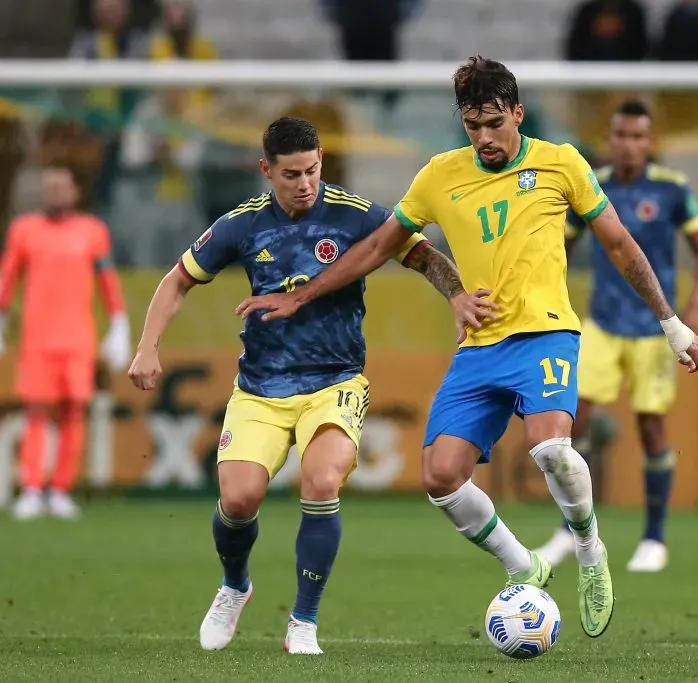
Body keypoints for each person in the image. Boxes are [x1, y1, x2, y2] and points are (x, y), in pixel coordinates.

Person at [235, 56, 698, 639]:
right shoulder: (440, 175)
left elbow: (621, 245)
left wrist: (669, 320)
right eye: (472, 125)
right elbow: (381, 245)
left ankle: (589, 551)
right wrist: (301, 297)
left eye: (493, 123)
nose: (483, 137)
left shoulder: (562, 164)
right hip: (480, 348)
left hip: (546, 334)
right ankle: (522, 564)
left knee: (551, 449)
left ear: (518, 114)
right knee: (440, 476)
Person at [128, 117, 483, 655]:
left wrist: (455, 293)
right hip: (261, 387)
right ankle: (234, 585)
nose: (305, 183)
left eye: (313, 170)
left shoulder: (355, 214)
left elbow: (421, 253)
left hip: (334, 381)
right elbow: (178, 279)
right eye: (291, 174)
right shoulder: (241, 225)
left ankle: (303, 621)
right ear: (266, 170)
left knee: (321, 484)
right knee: (239, 499)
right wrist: (147, 345)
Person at [534, 100, 698, 573]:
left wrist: (692, 306)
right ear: (610, 139)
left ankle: (654, 538)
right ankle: (568, 531)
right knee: (575, 423)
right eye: (621, 135)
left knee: (650, 426)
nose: (629, 144)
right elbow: (561, 247)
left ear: (651, 142)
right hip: (601, 323)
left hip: (655, 329)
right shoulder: (593, 184)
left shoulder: (672, 189)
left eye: (638, 136)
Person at [0, 165, 131, 520]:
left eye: (60, 186)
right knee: (36, 413)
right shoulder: (24, 230)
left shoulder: (92, 232)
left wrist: (118, 323)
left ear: (74, 191)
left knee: (74, 413)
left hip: (77, 340)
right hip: (37, 340)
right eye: (49, 187)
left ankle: (60, 489)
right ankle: (30, 488)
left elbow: (107, 280)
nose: (54, 193)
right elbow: (7, 277)